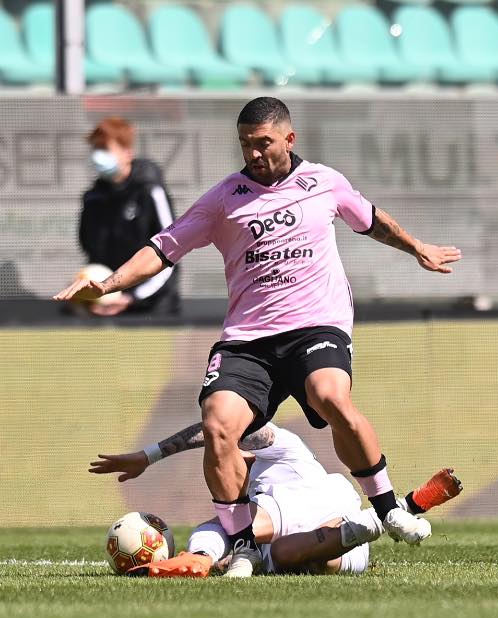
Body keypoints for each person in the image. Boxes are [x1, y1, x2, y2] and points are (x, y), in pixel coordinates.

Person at [55, 97, 462, 572]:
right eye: (245, 144)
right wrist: (108, 284)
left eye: (263, 143)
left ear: (289, 139)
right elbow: (163, 248)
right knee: (218, 424)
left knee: (330, 396)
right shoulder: (223, 198)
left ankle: (388, 508)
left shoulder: (324, 182)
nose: (253, 153)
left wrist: (417, 247)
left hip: (315, 325)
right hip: (249, 340)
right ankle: (244, 544)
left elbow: (372, 220)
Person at [90, 421, 462, 577]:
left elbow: (215, 428)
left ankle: (198, 556)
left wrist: (149, 456)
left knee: (232, 525)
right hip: (340, 533)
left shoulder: (281, 446)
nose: (224, 457)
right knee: (288, 557)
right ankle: (398, 511)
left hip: (321, 496)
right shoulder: (243, 484)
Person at [78, 117, 179, 316]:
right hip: (107, 305)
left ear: (127, 152)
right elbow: (91, 251)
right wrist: (95, 289)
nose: (98, 156)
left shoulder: (150, 191)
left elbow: (171, 252)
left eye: (104, 148)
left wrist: (133, 297)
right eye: (95, 149)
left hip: (153, 308)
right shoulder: (93, 198)